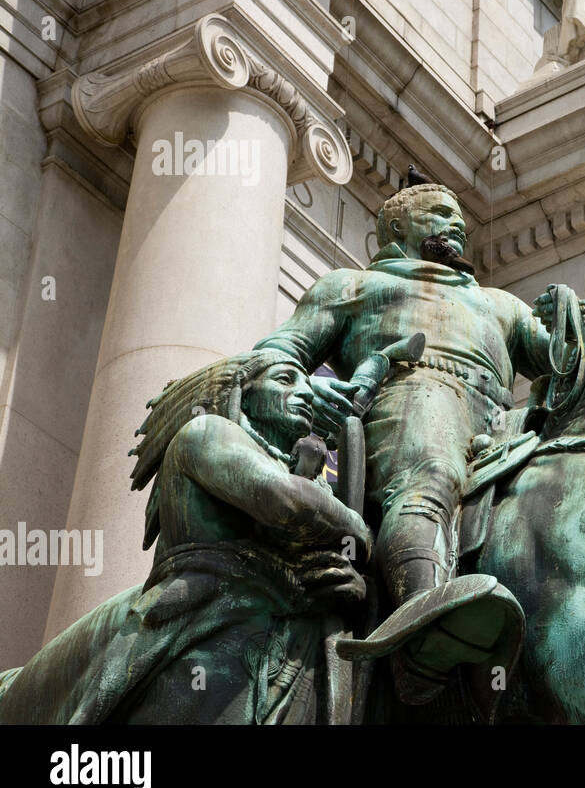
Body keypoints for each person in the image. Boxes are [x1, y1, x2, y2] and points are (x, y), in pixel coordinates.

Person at [252, 179, 552, 702]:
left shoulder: (501, 305)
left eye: (459, 216)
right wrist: (296, 394)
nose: (456, 224)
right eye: (439, 213)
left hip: (504, 421)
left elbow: (563, 360)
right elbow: (277, 357)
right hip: (411, 397)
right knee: (429, 475)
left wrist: (577, 319)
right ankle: (422, 631)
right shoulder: (354, 287)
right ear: (396, 227)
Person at [0, 350, 371, 723]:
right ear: (240, 390)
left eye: (307, 382)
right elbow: (286, 503)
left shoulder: (305, 476)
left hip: (285, 645)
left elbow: (321, 545)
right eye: (286, 380)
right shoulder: (207, 432)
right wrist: (357, 527)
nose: (305, 393)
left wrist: (343, 582)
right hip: (202, 626)